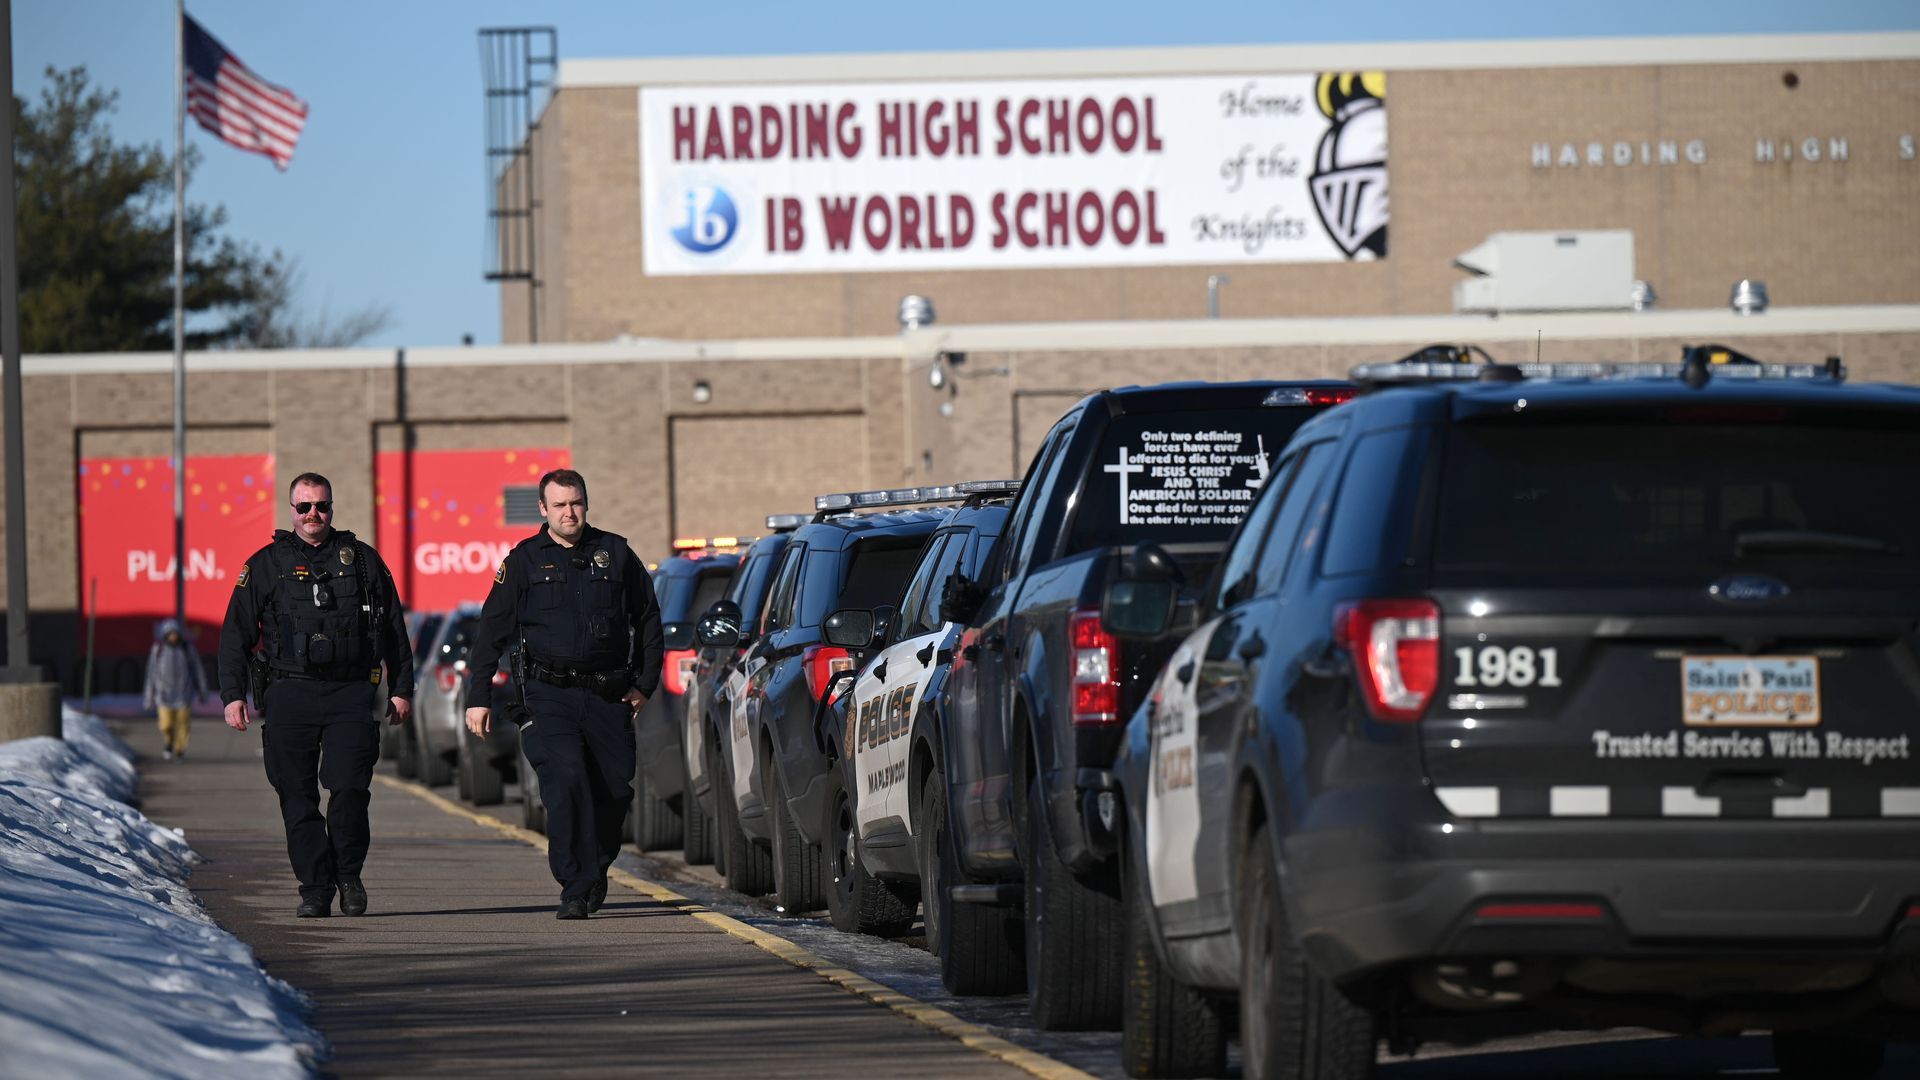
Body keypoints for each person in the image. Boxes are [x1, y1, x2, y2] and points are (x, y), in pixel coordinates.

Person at [465, 468, 663, 919]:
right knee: (566, 781)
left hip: (608, 694)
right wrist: (478, 696)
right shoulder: (524, 561)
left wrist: (645, 684)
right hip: (548, 694)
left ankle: (595, 869)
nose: (569, 512)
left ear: (586, 503)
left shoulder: (615, 553)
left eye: (575, 503)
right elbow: (491, 632)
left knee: (615, 792)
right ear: (543, 509)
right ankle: (574, 886)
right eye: (559, 505)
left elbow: (649, 619)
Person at [218, 472, 413, 919]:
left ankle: (348, 875)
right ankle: (315, 888)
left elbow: (393, 629)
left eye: (321, 506)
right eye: (304, 507)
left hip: (349, 692)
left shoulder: (362, 560)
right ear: (291, 510)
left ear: (331, 508)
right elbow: (235, 635)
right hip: (289, 693)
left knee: (350, 788)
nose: (313, 515)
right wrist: (232, 694)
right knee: (296, 795)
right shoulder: (266, 564)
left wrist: (402, 688)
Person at [143, 619, 206, 761]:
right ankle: (169, 741)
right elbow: (151, 673)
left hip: (184, 694)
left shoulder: (187, 649)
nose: (173, 637)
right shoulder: (158, 649)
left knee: (183, 725)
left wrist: (202, 691)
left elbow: (197, 670)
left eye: (175, 634)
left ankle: (179, 750)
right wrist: (149, 696)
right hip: (163, 695)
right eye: (170, 634)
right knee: (165, 724)